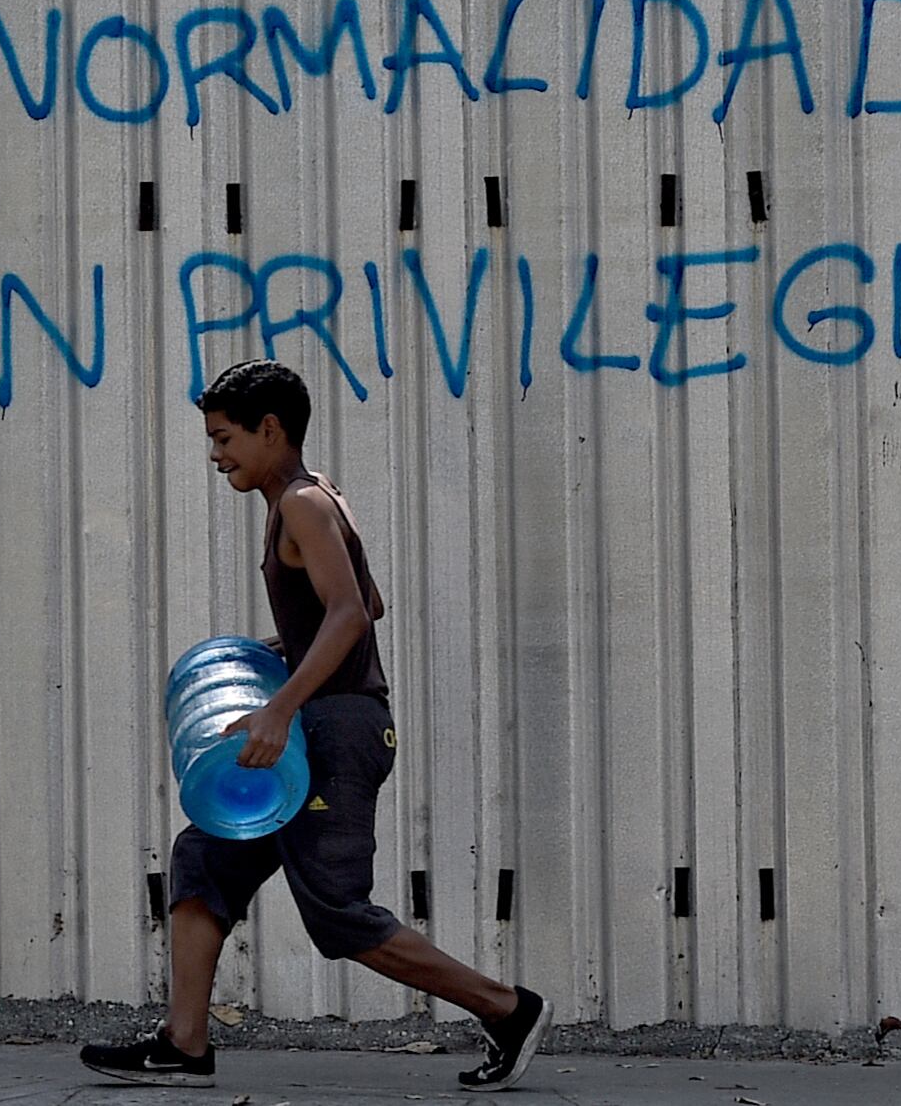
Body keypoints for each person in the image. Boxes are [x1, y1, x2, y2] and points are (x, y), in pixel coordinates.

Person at [80, 359, 551, 1092]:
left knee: (335, 913)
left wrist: (280, 704)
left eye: (225, 437)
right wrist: (282, 652)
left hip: (336, 731)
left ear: (271, 429)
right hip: (326, 720)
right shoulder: (313, 498)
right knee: (203, 856)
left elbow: (350, 614)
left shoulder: (301, 502)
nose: (216, 454)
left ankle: (506, 1007)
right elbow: (369, 601)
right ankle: (184, 1042)